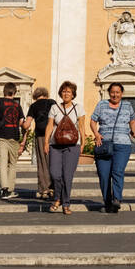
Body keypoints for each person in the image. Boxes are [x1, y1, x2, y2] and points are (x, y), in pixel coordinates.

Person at [91, 82, 135, 213]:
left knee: (117, 171)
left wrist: (133, 130)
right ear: (109, 92)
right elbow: (92, 121)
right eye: (112, 92)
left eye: (118, 92)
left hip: (123, 145)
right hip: (104, 144)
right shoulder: (101, 104)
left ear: (122, 94)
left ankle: (117, 199)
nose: (115, 94)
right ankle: (108, 202)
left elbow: (132, 121)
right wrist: (96, 134)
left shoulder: (127, 105)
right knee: (103, 174)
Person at [44, 82, 83, 214]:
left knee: (67, 176)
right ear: (61, 93)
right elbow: (49, 126)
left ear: (73, 95)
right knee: (55, 174)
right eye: (64, 91)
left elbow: (82, 127)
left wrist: (83, 144)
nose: (66, 94)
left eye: (69, 92)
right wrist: (45, 142)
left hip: (72, 146)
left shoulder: (78, 108)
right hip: (55, 145)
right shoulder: (54, 108)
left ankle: (65, 203)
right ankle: (57, 197)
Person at [0, 83, 30, 199]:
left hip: (2, 136)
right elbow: (22, 123)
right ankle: (11, 190)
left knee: (2, 163)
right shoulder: (18, 106)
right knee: (12, 164)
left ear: (4, 91)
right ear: (15, 92)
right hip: (14, 137)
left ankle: (4, 190)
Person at [27, 86, 55, 199]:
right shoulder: (53, 102)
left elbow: (27, 123)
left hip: (41, 135)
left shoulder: (33, 106)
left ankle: (44, 189)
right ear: (46, 94)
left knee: (42, 161)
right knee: (53, 161)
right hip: (53, 134)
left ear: (35, 96)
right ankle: (53, 188)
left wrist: (22, 125)